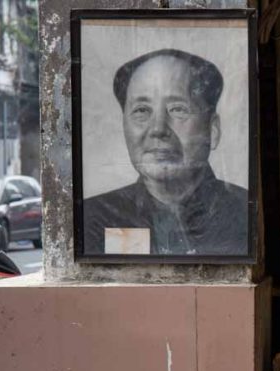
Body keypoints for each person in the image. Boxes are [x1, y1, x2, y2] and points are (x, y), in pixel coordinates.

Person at [82, 49, 248, 256]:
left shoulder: (247, 214)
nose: (158, 129)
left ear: (212, 130)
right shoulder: (94, 218)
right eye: (142, 110)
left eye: (178, 109)